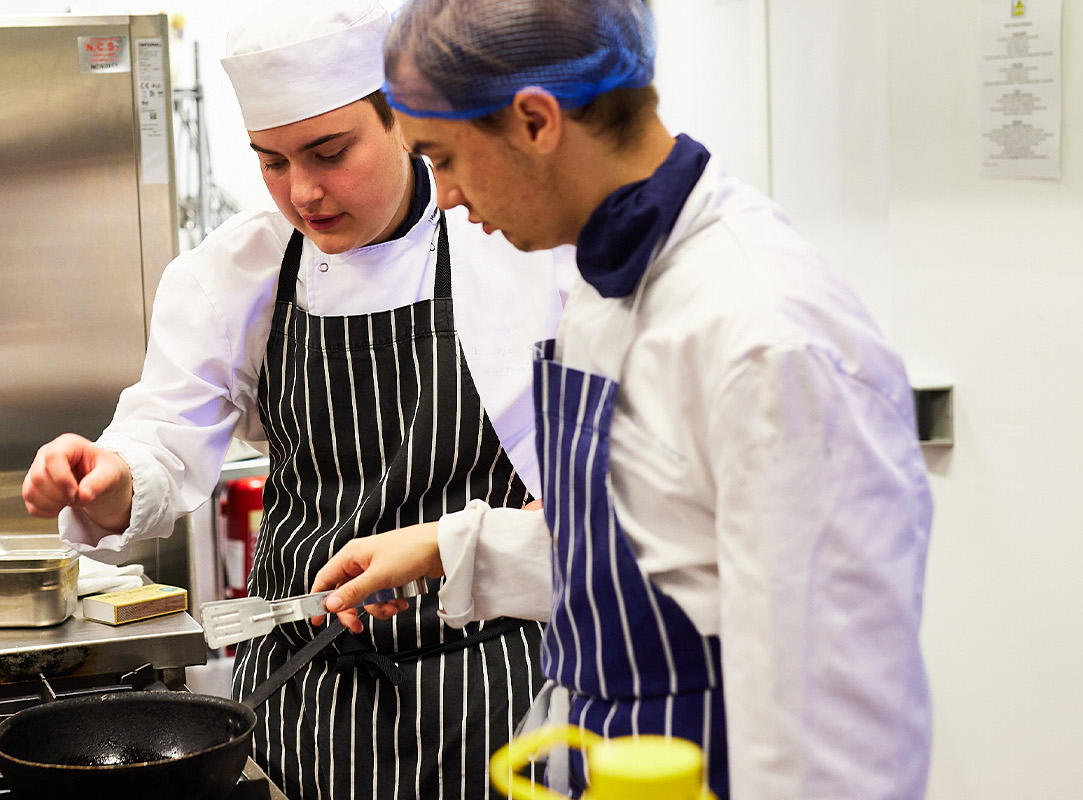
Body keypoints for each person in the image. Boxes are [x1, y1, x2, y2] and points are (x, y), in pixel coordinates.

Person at [311, 0, 935, 797]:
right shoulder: (608, 280)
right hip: (604, 760)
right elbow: (653, 550)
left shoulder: (767, 338)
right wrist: (452, 546)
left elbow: (839, 721)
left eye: (445, 159)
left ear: (536, 121)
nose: (449, 198)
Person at [18, 1, 576, 797]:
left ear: (402, 121)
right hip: (310, 693)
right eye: (271, 162)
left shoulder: (514, 243)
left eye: (329, 151)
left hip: (493, 688)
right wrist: (108, 480)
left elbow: (600, 484)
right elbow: (163, 444)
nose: (304, 192)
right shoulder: (237, 271)